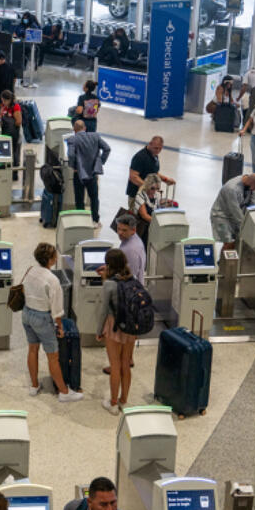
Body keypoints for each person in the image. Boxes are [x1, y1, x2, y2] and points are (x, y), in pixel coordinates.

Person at [22, 243, 84, 402]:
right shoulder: (52, 279)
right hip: (43, 318)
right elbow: (57, 310)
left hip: (27, 313)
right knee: (53, 357)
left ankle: (34, 386)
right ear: (50, 259)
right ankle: (64, 392)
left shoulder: (30, 271)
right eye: (54, 256)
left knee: (32, 349)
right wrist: (60, 327)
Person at [97, 248, 138, 415]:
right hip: (131, 326)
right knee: (125, 364)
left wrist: (99, 330)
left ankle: (113, 404)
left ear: (108, 265)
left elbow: (103, 310)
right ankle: (123, 400)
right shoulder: (132, 278)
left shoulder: (109, 284)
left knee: (114, 366)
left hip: (114, 326)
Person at [67, 118, 111, 227]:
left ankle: (81, 221)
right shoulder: (95, 136)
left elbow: (71, 155)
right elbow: (107, 148)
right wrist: (100, 162)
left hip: (79, 174)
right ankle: (95, 220)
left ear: (74, 129)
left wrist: (73, 166)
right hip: (92, 173)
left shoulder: (72, 139)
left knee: (79, 198)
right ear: (85, 128)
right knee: (94, 198)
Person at [210, 173, 255, 252]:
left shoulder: (250, 185)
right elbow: (235, 212)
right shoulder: (231, 188)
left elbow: (254, 207)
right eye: (254, 188)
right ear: (251, 184)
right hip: (221, 216)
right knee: (229, 242)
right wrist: (246, 228)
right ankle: (222, 263)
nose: (254, 190)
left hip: (235, 217)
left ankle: (229, 262)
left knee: (237, 242)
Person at [125, 136, 173, 210]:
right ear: (150, 144)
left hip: (148, 195)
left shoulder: (154, 156)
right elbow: (133, 177)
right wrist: (148, 187)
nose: (158, 151)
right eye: (156, 148)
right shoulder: (140, 157)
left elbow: (154, 172)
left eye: (160, 149)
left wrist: (166, 179)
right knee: (136, 218)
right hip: (136, 194)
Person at [0, 89, 24, 177]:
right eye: (2, 100)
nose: (4, 102)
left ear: (10, 99)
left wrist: (10, 125)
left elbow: (19, 121)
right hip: (5, 134)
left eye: (5, 100)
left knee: (14, 153)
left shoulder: (15, 107)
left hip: (13, 135)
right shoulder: (4, 106)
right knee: (5, 152)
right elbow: (0, 116)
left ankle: (14, 174)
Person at [114, 214, 145, 286]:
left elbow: (129, 276)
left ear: (133, 230)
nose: (120, 233)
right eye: (118, 229)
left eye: (124, 230)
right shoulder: (134, 238)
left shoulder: (130, 250)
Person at [132, 174, 161, 245]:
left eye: (157, 189)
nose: (154, 191)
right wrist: (159, 222)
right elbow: (144, 215)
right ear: (147, 186)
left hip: (151, 228)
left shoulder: (156, 195)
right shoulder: (140, 195)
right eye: (152, 188)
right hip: (141, 229)